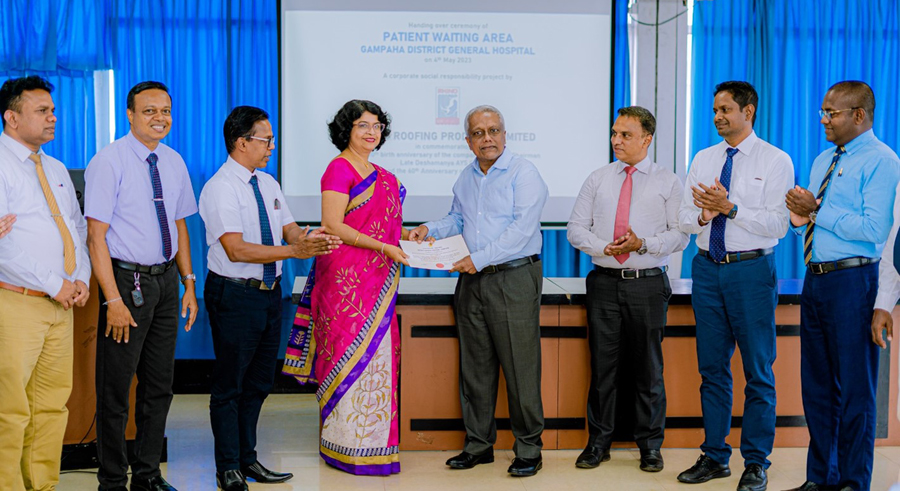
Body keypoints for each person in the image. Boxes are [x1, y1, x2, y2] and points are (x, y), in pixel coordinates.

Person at [199, 106, 340, 490]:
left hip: (268, 295)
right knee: (230, 385)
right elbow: (237, 250)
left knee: (259, 383)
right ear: (241, 142)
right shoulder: (220, 188)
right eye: (266, 139)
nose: (272, 147)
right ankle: (227, 466)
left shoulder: (268, 184)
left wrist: (307, 242)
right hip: (234, 294)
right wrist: (293, 253)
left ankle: (248, 459)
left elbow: (289, 230)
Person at [409, 105, 549, 477]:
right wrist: (430, 229)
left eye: (494, 130)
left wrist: (478, 258)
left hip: (513, 277)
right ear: (468, 140)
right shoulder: (467, 176)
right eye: (479, 133)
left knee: (521, 367)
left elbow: (521, 232)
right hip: (472, 281)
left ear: (505, 134)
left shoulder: (524, 173)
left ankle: (529, 448)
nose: (487, 138)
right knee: (475, 366)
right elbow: (458, 217)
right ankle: (478, 445)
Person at [676, 81, 794, 491]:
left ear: (749, 111)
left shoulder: (776, 160)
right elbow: (683, 219)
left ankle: (756, 462)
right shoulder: (704, 158)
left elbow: (779, 224)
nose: (717, 117)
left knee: (757, 370)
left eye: (726, 109)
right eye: (714, 110)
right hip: (707, 269)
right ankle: (714, 456)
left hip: (751, 272)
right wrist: (707, 215)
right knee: (712, 369)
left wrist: (732, 208)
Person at [282, 99, 409, 475]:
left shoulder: (382, 174)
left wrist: (407, 235)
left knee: (379, 358)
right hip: (345, 281)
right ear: (346, 131)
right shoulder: (338, 169)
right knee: (344, 353)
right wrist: (386, 246)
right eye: (362, 126)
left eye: (377, 126)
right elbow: (334, 225)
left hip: (377, 280)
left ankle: (374, 445)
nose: (371, 132)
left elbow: (378, 230)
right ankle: (342, 444)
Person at [785, 81, 900, 491]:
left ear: (859, 115)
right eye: (822, 111)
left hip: (856, 281)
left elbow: (874, 231)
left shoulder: (883, 161)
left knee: (855, 391)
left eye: (831, 113)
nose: (823, 120)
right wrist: (800, 218)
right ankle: (821, 478)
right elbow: (815, 221)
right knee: (817, 387)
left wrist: (817, 210)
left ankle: (853, 481)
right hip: (816, 281)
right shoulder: (822, 160)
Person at [86, 81, 199, 491]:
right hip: (125, 282)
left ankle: (148, 474)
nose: (160, 118)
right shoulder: (109, 161)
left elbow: (180, 224)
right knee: (116, 390)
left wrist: (188, 282)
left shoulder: (173, 161)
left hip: (167, 281)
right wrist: (112, 300)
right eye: (149, 110)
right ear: (130, 115)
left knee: (159, 386)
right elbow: (95, 237)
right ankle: (113, 479)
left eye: (166, 110)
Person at [566, 106, 688, 473]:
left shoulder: (667, 181)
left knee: (648, 369)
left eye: (626, 135)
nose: (616, 140)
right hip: (604, 284)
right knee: (603, 368)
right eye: (615, 133)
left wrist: (642, 243)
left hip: (647, 285)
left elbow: (680, 235)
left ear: (647, 139)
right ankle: (598, 443)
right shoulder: (598, 178)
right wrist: (605, 248)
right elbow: (575, 229)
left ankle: (650, 446)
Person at [0, 75, 91, 491]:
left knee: (51, 406)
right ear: (12, 118)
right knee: (10, 409)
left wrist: (81, 278)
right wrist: (57, 283)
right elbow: (3, 248)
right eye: (42, 111)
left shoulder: (54, 167)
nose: (53, 117)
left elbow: (75, 229)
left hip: (62, 305)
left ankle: (42, 485)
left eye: (53, 110)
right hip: (16, 302)